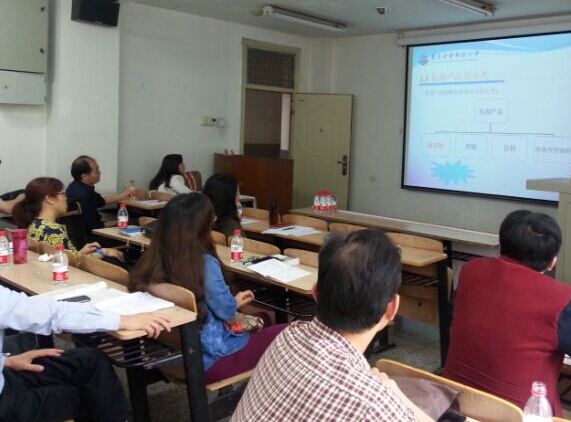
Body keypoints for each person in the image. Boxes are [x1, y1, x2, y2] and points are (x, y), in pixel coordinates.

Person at [444, 210, 571, 416]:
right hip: (516, 415)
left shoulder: (471, 270)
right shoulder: (558, 300)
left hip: (453, 405)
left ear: (501, 246)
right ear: (552, 262)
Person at [232, 229, 434, 422]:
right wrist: (395, 394)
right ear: (392, 309)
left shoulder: (289, 335)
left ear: (316, 293)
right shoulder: (373, 406)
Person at [130, 193, 285, 383]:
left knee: (263, 318)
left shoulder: (152, 260)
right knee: (290, 332)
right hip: (214, 359)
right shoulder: (204, 263)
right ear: (203, 227)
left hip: (176, 354)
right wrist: (235, 302)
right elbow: (226, 311)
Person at [0, 283, 171, 422]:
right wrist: (122, 321)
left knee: (90, 360)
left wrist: (5, 361)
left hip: (5, 374)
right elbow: (52, 314)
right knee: (89, 398)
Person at [13, 177, 124, 264]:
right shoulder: (53, 231)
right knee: (114, 259)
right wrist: (104, 252)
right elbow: (71, 265)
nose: (66, 197)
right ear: (50, 199)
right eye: (62, 193)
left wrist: (80, 253)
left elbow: (60, 258)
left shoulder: (34, 225)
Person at [66, 155, 137, 240]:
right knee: (136, 223)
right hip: (93, 237)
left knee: (133, 221)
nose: (100, 173)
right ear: (84, 176)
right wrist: (118, 223)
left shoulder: (74, 186)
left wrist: (125, 194)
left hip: (86, 233)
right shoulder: (84, 195)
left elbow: (101, 201)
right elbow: (95, 227)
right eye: (96, 171)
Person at [203, 173, 240, 238]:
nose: (239, 195)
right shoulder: (231, 226)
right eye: (237, 191)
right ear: (229, 196)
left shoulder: (201, 219)